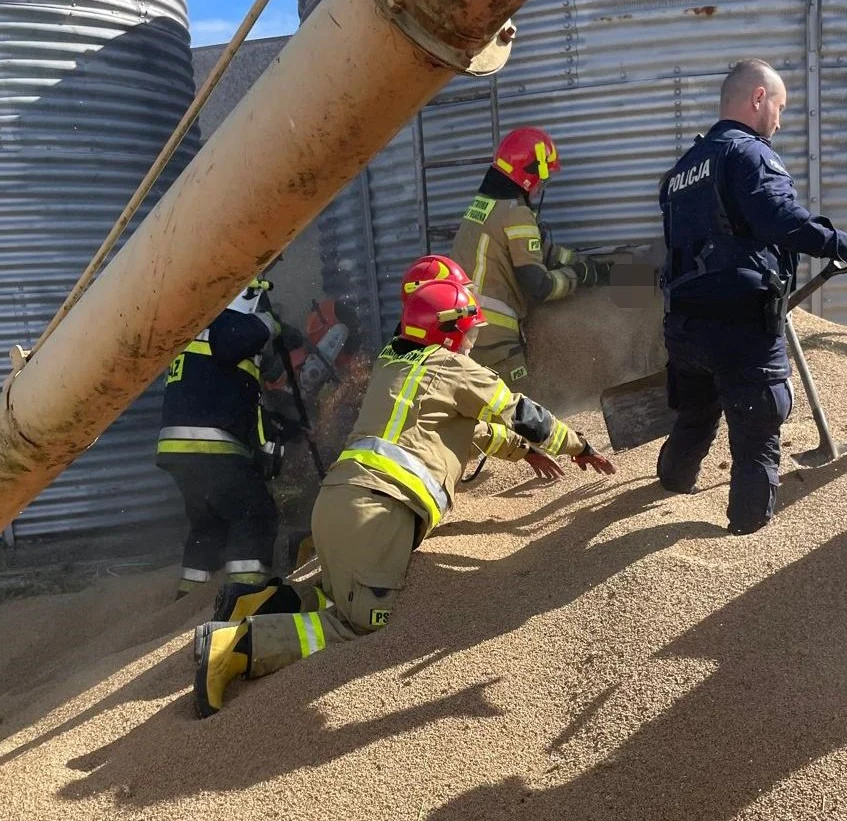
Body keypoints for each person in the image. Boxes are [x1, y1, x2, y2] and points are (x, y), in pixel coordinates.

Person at [192, 279, 616, 717]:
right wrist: (578, 445)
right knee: (358, 624)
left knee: (336, 594)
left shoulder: (398, 366)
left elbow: (474, 431)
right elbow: (524, 413)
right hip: (377, 514)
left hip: (339, 501)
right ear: (450, 331)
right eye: (470, 332)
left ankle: (253, 604)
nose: (472, 341)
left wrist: (524, 453)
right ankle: (236, 647)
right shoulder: (456, 370)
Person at [655, 58, 847, 535]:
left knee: (696, 415)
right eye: (781, 106)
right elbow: (781, 219)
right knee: (756, 437)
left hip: (685, 327)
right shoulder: (748, 154)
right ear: (757, 98)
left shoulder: (683, 169)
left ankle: (670, 486)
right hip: (741, 327)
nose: (780, 119)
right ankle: (748, 539)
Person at [157, 278, 294, 599]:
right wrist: (272, 323)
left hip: (180, 447)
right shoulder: (223, 319)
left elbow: (239, 373)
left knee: (209, 525)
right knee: (255, 513)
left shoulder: (193, 325)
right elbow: (234, 339)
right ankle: (243, 597)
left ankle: (188, 598)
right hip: (210, 444)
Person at [450, 127, 613, 388]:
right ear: (529, 175)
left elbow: (533, 250)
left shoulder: (485, 205)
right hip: (492, 334)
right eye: (541, 180)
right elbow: (539, 285)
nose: (539, 189)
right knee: (522, 409)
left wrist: (578, 260)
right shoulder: (517, 213)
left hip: (464, 325)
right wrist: (578, 276)